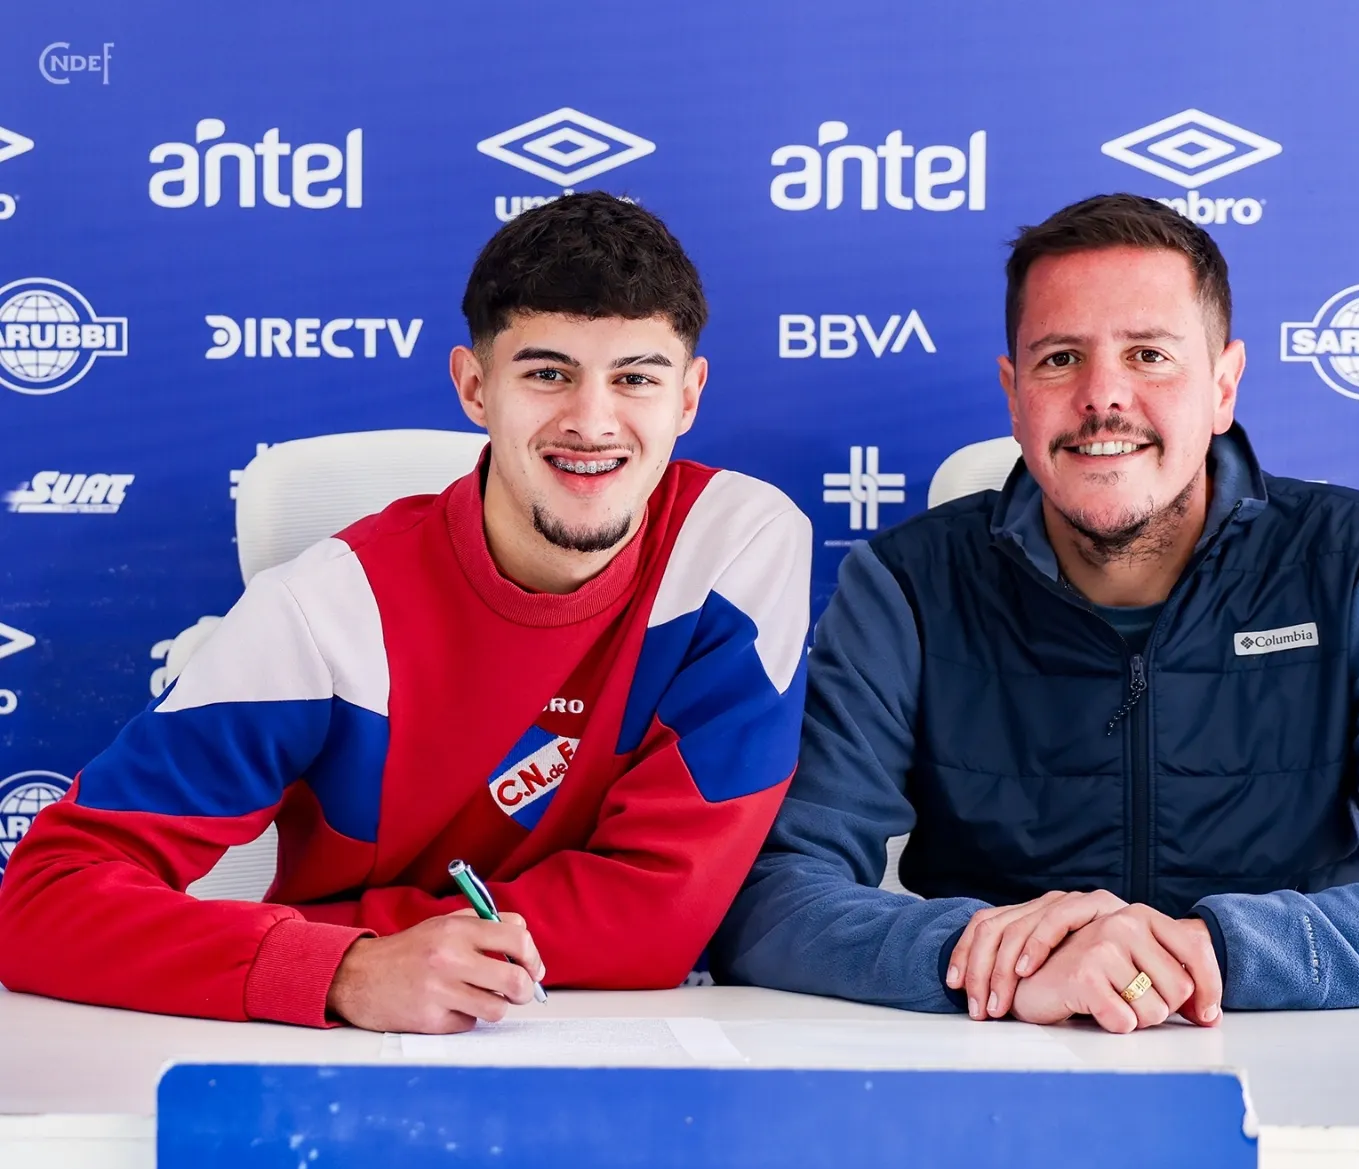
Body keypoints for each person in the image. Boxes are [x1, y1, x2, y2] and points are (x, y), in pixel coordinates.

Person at [712, 193, 1359, 1033]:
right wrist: (999, 958)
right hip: (1001, 1060)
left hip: (1300, 1059)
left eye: (1149, 355)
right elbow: (768, 896)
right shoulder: (904, 584)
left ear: (1224, 385)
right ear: (1014, 394)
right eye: (1061, 358)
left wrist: (1210, 952)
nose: (1103, 397)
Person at [0, 193, 811, 1033]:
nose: (592, 422)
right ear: (475, 387)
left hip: (624, 1049)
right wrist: (345, 972)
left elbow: (655, 921)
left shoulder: (735, 546)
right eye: (547, 374)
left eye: (636, 378)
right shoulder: (327, 608)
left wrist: (356, 943)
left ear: (688, 397)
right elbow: (44, 900)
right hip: (351, 1051)